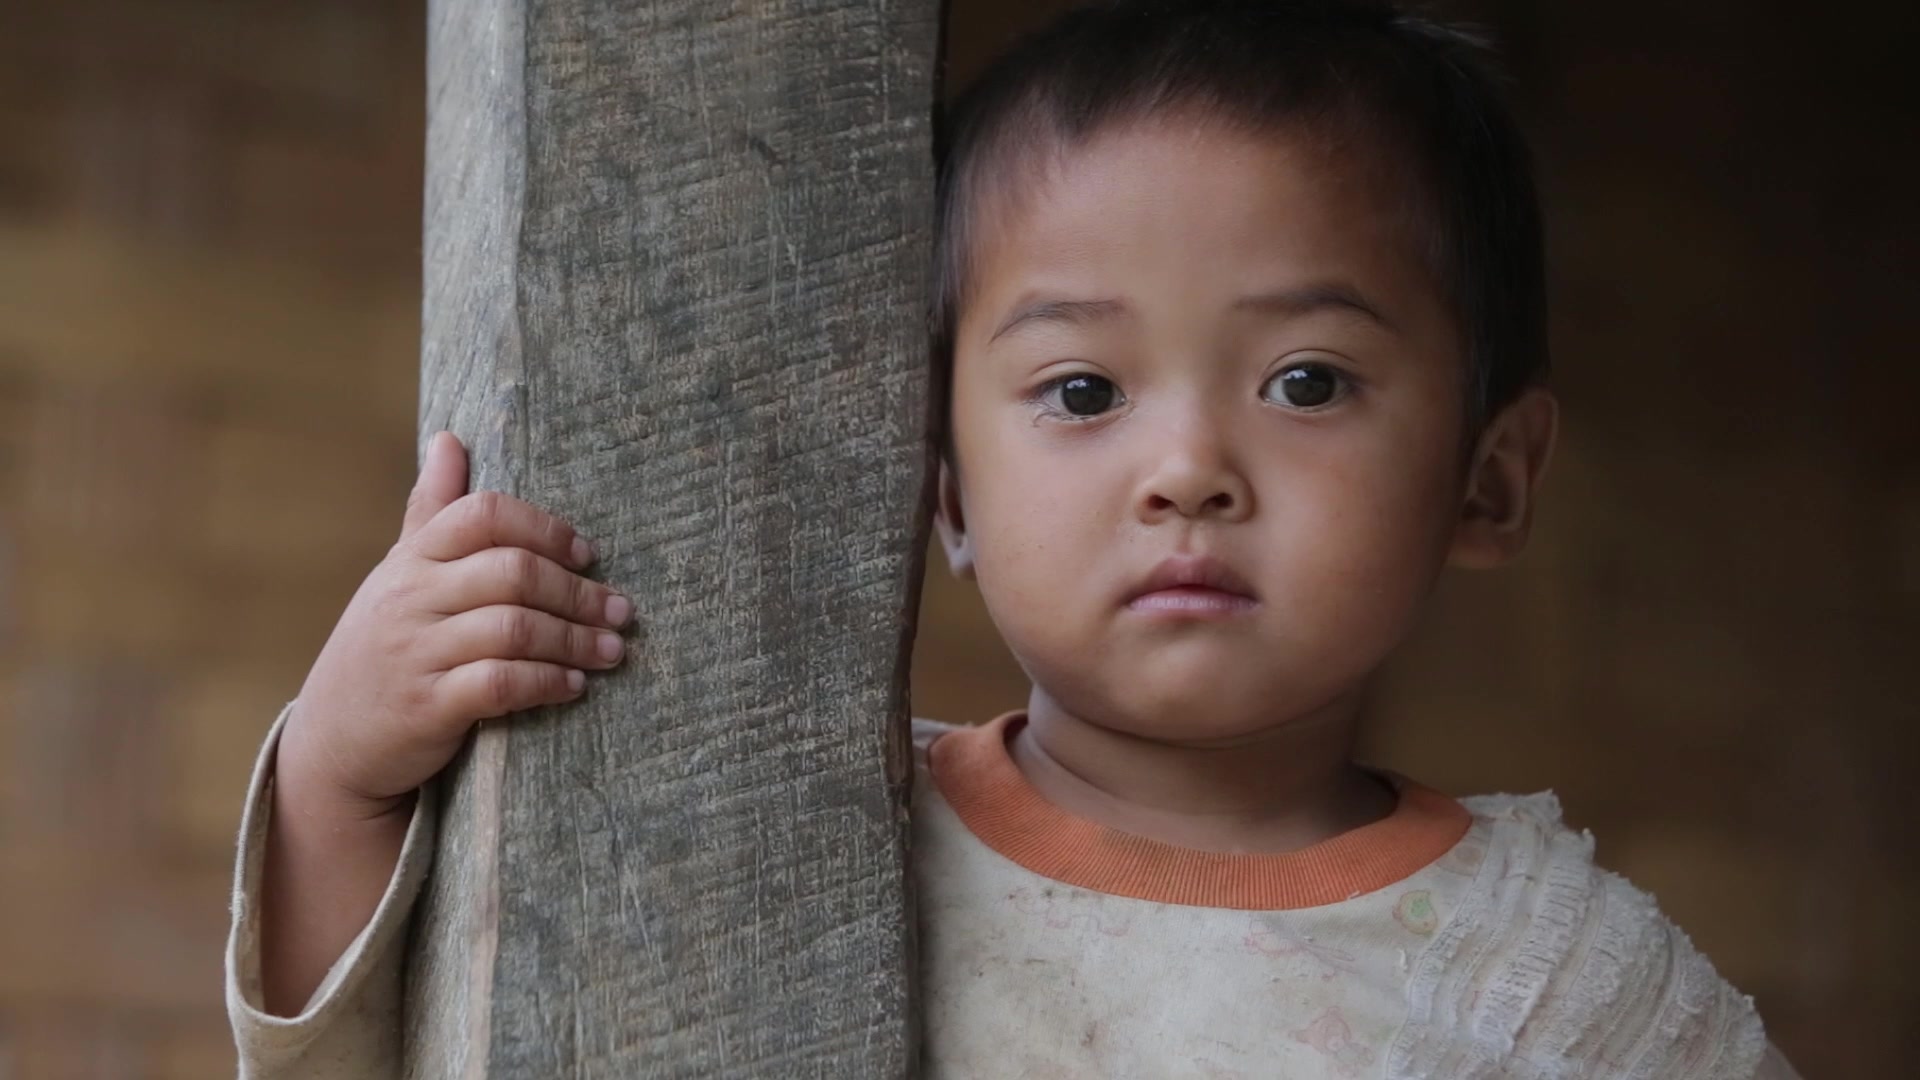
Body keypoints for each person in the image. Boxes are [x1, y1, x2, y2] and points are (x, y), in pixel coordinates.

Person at [225, 1, 1803, 1075]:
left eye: (1306, 380)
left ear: (1491, 481)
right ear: (949, 491)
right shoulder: (794, 829)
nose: (1187, 469)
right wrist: (340, 776)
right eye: (1082, 390)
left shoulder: (1559, 983)